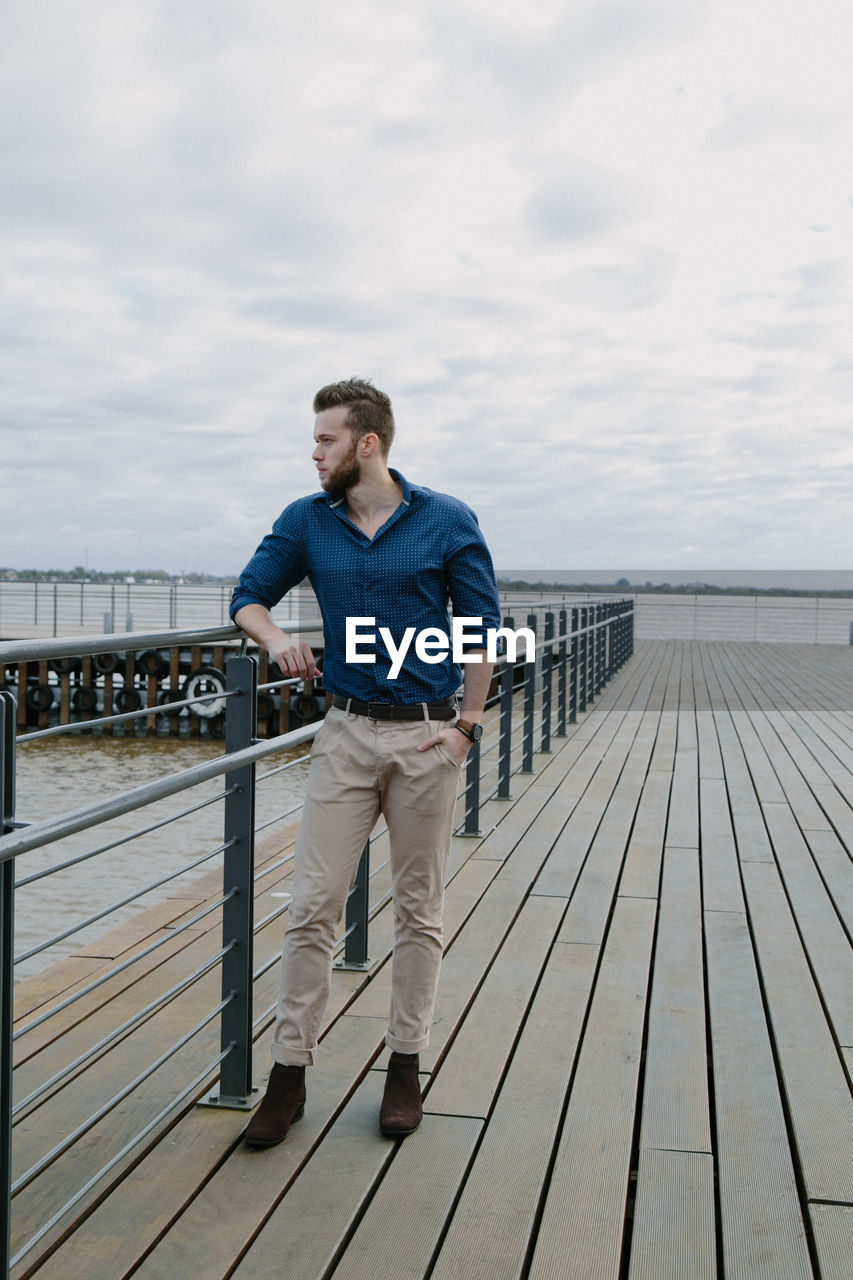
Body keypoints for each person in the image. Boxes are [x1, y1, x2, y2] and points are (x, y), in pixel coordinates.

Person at [230, 377, 501, 1145]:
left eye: (326, 439)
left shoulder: (446, 520)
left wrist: (467, 726)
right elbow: (247, 596)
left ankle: (405, 1066)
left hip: (426, 737)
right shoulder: (306, 520)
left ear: (367, 443)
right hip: (344, 735)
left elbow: (481, 626)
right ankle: (287, 1076)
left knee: (418, 912)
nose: (313, 453)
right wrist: (274, 636)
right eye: (315, 440)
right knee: (313, 904)